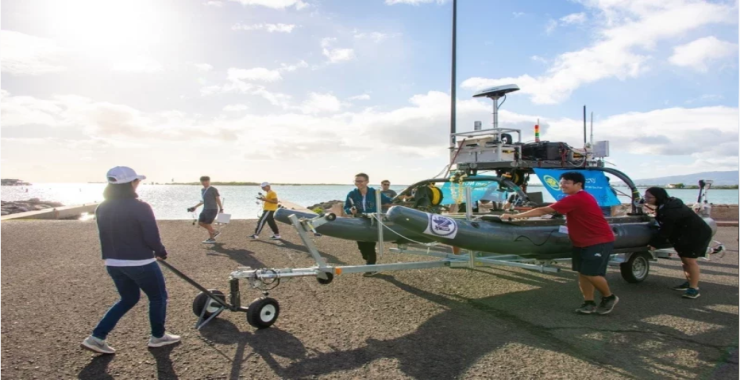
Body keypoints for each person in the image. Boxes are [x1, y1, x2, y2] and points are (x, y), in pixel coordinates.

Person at [81, 166, 179, 355]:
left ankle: (97, 337)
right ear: (131, 183)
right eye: (137, 181)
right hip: (140, 262)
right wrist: (161, 251)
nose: (138, 184)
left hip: (113, 263)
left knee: (128, 298)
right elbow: (151, 235)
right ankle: (158, 336)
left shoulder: (102, 207)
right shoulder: (140, 206)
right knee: (158, 297)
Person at [500, 171, 618, 315]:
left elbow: (543, 210)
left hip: (598, 240)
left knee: (591, 273)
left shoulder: (579, 198)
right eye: (561, 182)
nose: (562, 185)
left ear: (579, 184)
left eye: (567, 182)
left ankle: (609, 297)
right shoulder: (574, 198)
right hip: (582, 241)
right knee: (583, 273)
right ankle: (589, 302)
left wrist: (514, 216)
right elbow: (555, 210)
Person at [644, 187, 711, 299]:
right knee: (685, 260)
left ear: (658, 197)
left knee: (690, 261)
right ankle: (689, 282)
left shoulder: (670, 209)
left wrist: (655, 243)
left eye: (649, 197)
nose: (646, 199)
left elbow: (666, 229)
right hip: (684, 234)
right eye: (646, 196)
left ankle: (694, 288)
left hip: (695, 234)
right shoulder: (666, 205)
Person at [344, 173, 393, 277]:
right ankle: (368, 260)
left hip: (372, 221)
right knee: (361, 246)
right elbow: (346, 208)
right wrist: (350, 210)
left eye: (360, 181)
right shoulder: (352, 194)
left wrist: (401, 199)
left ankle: (371, 267)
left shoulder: (375, 192)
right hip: (358, 221)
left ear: (367, 182)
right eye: (356, 181)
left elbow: (388, 201)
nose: (358, 183)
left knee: (370, 245)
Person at [187, 176, 224, 244]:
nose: (204, 182)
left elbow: (217, 199)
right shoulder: (203, 190)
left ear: (209, 181)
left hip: (212, 209)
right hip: (205, 209)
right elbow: (203, 201)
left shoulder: (213, 189)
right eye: (203, 181)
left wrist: (221, 208)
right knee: (200, 223)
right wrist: (195, 207)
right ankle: (214, 232)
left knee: (207, 224)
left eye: (206, 181)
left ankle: (212, 238)